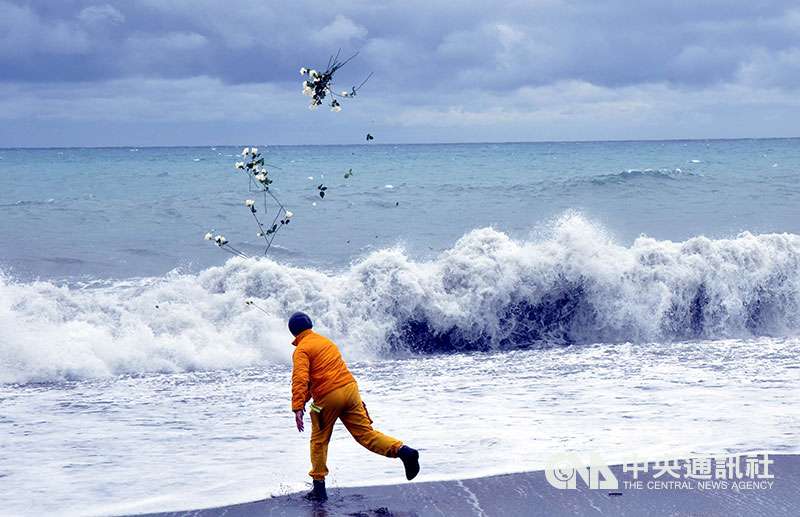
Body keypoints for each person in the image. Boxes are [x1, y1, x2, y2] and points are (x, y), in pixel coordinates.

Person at [288, 311, 420, 501]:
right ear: (311, 325)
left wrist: (298, 407)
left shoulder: (301, 350)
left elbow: (301, 379)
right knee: (366, 434)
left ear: (293, 332)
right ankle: (404, 451)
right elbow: (319, 376)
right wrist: (304, 400)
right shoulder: (326, 342)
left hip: (328, 397)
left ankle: (319, 490)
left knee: (319, 441)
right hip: (350, 390)